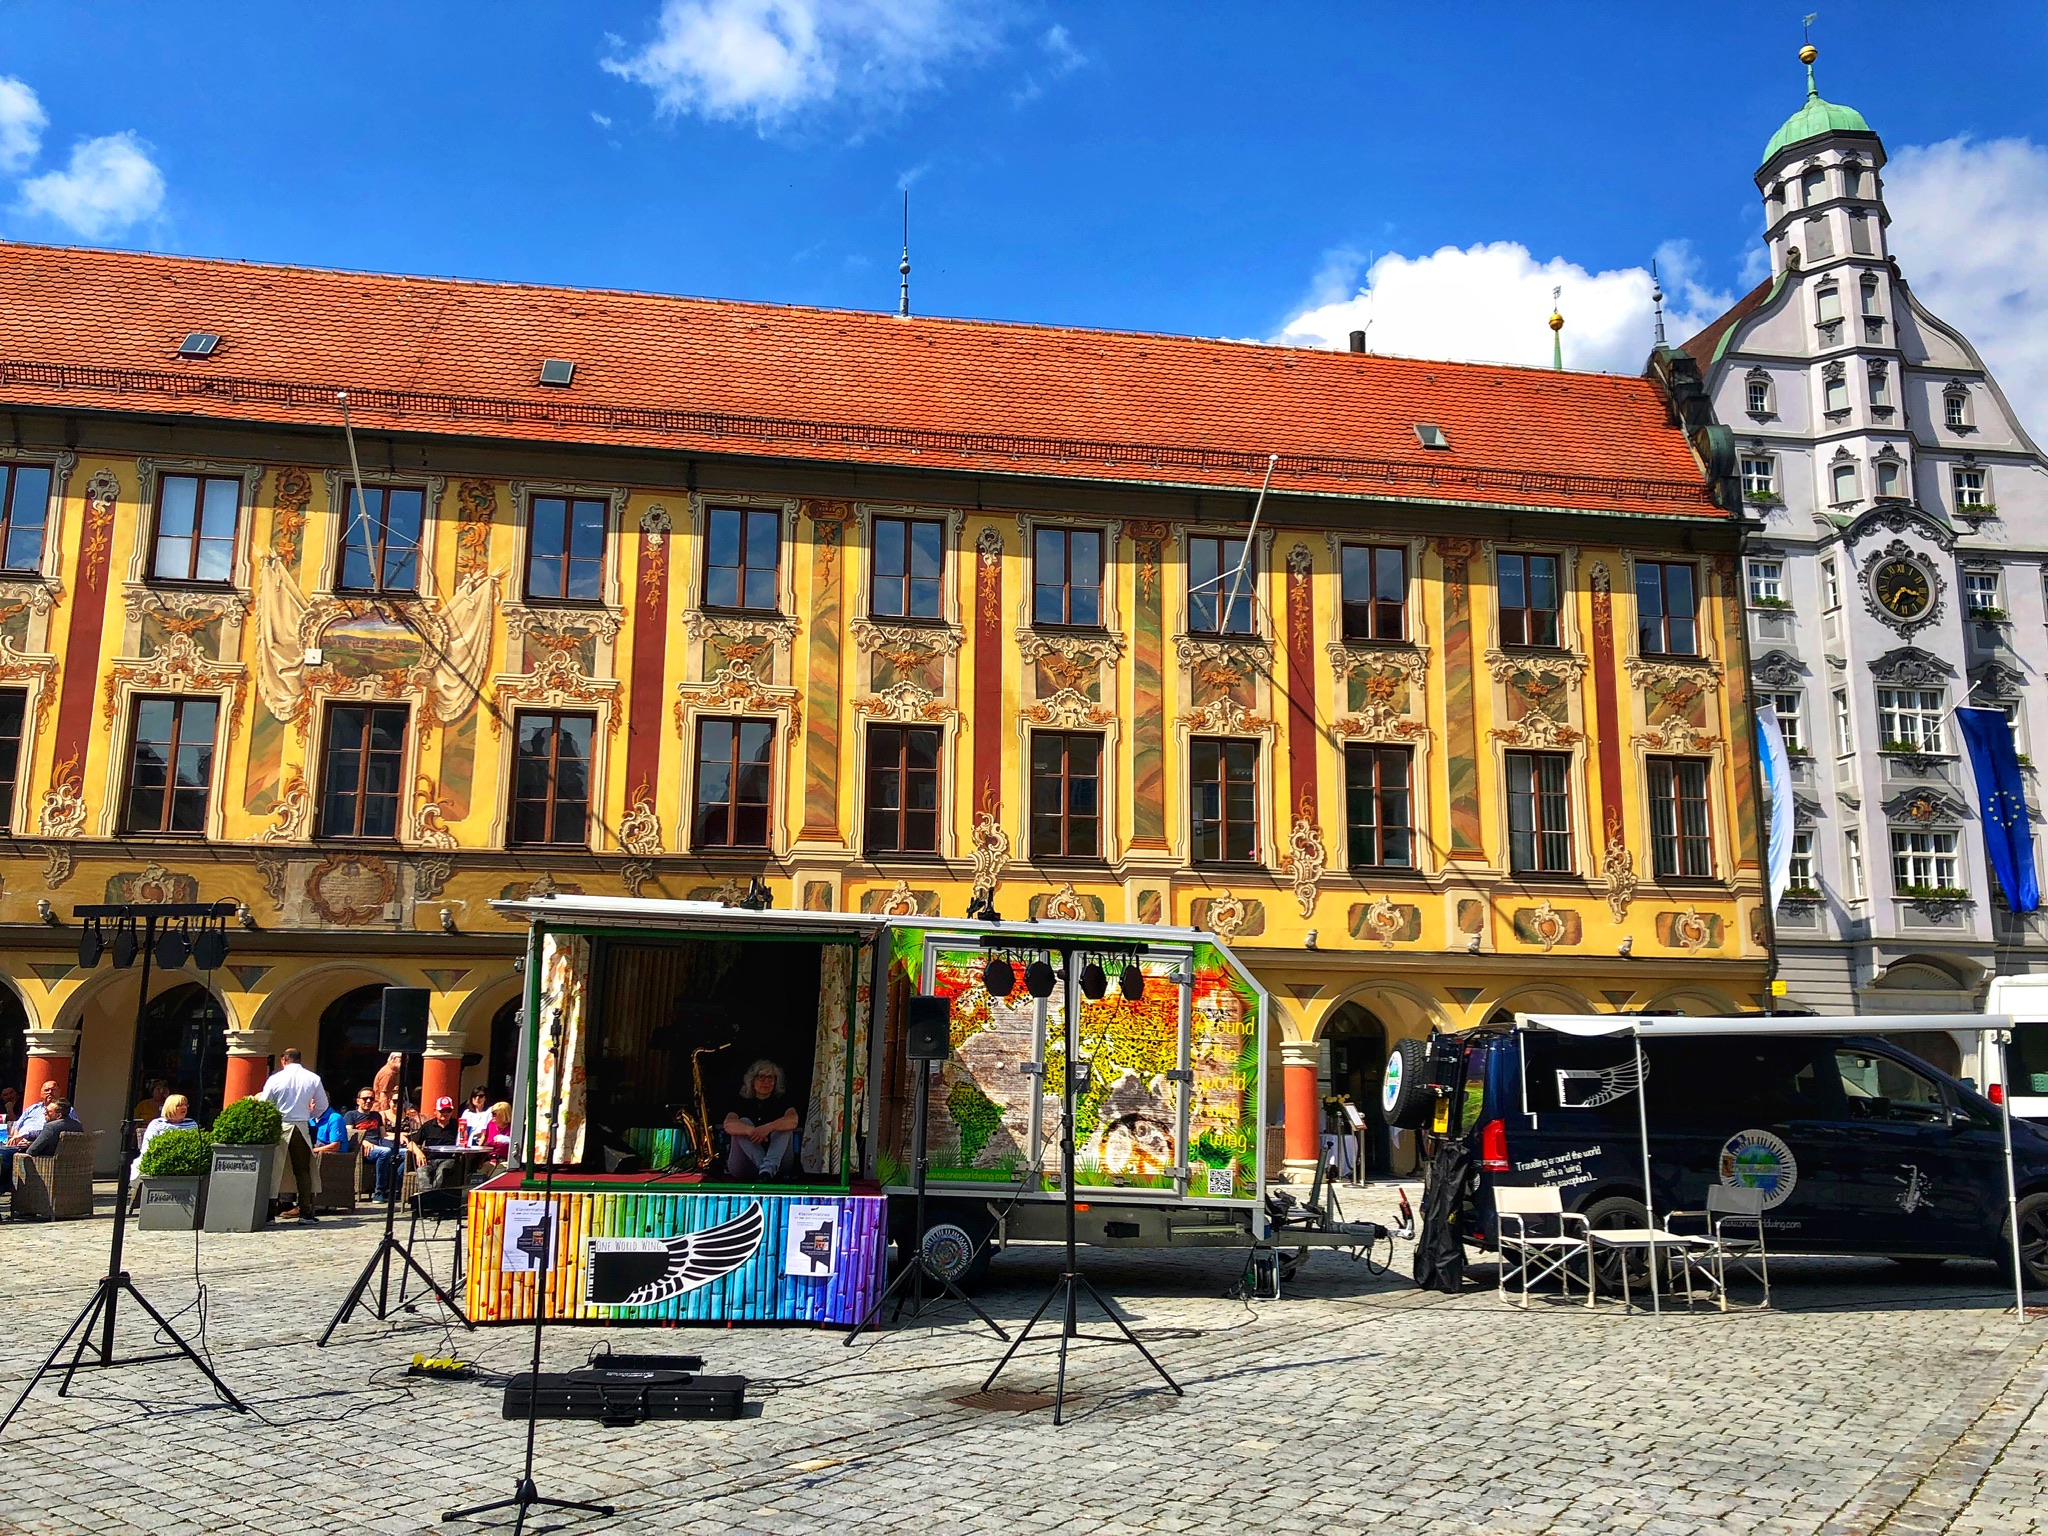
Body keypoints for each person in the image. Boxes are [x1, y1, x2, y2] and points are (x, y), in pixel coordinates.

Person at [258, 1047, 329, 1222]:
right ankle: (305, 1212)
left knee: (275, 1169)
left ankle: (269, 1214)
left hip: (281, 1125)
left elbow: (264, 1103)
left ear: (284, 1060)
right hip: (301, 1125)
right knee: (303, 1170)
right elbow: (322, 1105)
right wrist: (307, 1115)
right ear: (299, 1059)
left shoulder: (275, 1079)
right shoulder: (312, 1078)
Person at [722, 1060, 800, 1181]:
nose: (766, 1082)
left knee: (784, 1125)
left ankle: (767, 1171)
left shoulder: (783, 1102)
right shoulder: (741, 1102)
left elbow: (793, 1120)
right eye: (761, 1077)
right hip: (746, 1165)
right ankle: (766, 1171)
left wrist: (768, 1128)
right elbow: (728, 1125)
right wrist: (751, 1131)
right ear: (752, 1080)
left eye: (770, 1078)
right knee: (743, 1122)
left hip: (780, 1164)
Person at [0, 1086, 75, 1196]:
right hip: (22, 1143)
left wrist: (30, 1143)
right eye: (46, 1090)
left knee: (4, 1156)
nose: (44, 1114)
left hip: (40, 1152)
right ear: (40, 1093)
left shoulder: (56, 1122)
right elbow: (17, 1125)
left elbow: (33, 1149)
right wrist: (20, 1136)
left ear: (58, 1115)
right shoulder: (33, 1108)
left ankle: (4, 1187)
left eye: (47, 1112)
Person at [130, 1093, 200, 1199]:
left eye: (186, 1105)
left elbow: (195, 1144)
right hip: (159, 1157)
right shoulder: (157, 1124)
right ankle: (140, 1192)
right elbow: (148, 1145)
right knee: (139, 1163)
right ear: (170, 1107)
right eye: (180, 1105)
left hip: (184, 1159)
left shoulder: (191, 1124)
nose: (184, 1108)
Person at [406, 1094, 463, 1185]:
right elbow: (411, 1143)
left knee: (442, 1173)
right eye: (442, 1111)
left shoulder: (457, 1125)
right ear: (435, 1111)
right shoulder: (428, 1126)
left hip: (448, 1159)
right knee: (422, 1172)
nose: (445, 1113)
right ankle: (426, 1193)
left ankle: (434, 1193)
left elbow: (464, 1141)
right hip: (430, 1160)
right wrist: (419, 1153)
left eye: (448, 1110)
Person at [356, 1112, 405, 1201]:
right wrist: (362, 1141)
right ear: (358, 1103)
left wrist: (400, 1136)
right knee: (385, 1152)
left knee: (407, 1153)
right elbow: (350, 1135)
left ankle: (394, 1189)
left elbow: (384, 1135)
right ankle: (379, 1192)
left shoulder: (376, 1115)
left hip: (380, 1145)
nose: (368, 1103)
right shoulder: (351, 1115)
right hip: (365, 1149)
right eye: (364, 1100)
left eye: (370, 1102)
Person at [372, 1052, 403, 1120]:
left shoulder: (394, 1072)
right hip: (381, 1110)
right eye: (402, 1060)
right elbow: (383, 1097)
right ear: (394, 1059)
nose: (405, 1062)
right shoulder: (388, 1073)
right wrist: (386, 1115)